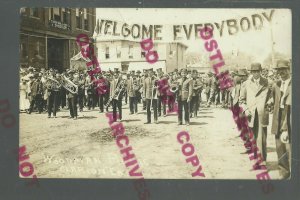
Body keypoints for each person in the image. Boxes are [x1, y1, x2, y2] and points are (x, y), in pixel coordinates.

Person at [239, 63, 271, 162]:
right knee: (252, 137)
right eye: (253, 71)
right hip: (251, 114)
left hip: (262, 113)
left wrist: (270, 101)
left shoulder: (267, 82)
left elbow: (272, 95)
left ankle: (262, 160)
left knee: (262, 138)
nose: (255, 73)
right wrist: (246, 109)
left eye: (257, 71)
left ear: (261, 71)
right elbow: (241, 100)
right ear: (251, 72)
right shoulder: (246, 84)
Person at [270, 59, 291, 179]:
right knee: (279, 147)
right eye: (279, 70)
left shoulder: (294, 83)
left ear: (288, 69)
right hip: (278, 117)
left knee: (291, 147)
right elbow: (274, 100)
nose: (281, 72)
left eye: (284, 69)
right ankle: (284, 173)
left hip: (290, 116)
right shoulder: (276, 85)